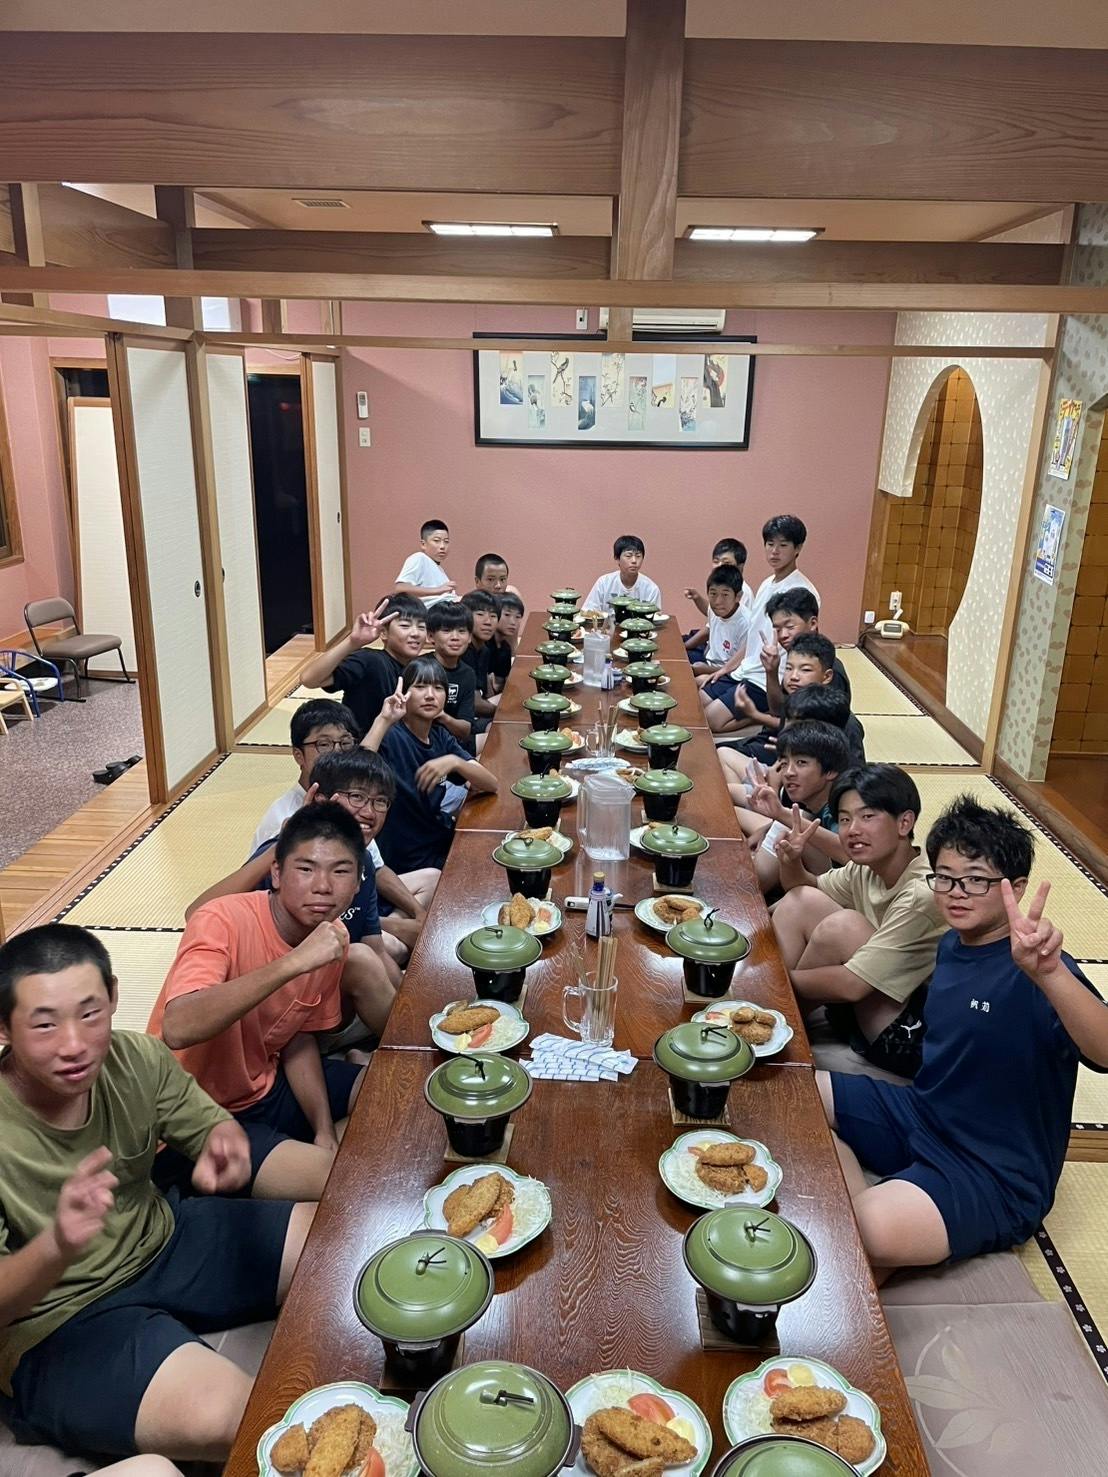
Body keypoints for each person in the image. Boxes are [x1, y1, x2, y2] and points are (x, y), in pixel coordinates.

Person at [0, 924, 313, 1462]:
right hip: (57, 1322)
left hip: (162, 1237)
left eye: (90, 1014)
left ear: (113, 996)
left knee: (335, 1245)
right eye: (45, 1024)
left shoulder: (135, 1058)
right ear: (4, 1026)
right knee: (239, 1418)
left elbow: (208, 1124)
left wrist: (223, 1144)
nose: (74, 1044)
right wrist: (57, 1245)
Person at [818, 796, 1108, 1273]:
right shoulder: (952, 943)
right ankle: (878, 1219)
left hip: (993, 1170)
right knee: (801, 1097)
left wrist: (1052, 974)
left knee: (867, 1228)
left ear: (1015, 887)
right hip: (923, 1113)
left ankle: (876, 1225)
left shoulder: (1039, 968)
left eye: (976, 880)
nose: (957, 892)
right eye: (945, 877)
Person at [148, 806, 368, 1201]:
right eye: (306, 869)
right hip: (189, 1119)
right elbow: (178, 1026)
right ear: (277, 874)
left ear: (357, 883)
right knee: (344, 1185)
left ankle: (292, 1157)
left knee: (390, 1096)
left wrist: (323, 1130)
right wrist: (293, 962)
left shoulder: (332, 936)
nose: (322, 886)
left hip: (264, 1088)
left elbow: (298, 1038)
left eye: (340, 871)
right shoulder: (222, 919)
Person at [772, 764, 945, 1077]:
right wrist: (791, 861)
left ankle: (774, 1014)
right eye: (844, 819)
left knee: (843, 926)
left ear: (904, 822)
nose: (852, 830)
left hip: (907, 1032)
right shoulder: (867, 867)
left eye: (867, 816)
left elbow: (852, 985)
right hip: (862, 1003)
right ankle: (780, 1013)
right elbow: (804, 889)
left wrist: (775, 978)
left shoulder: (922, 893)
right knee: (802, 901)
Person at [192, 748, 429, 973]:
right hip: (274, 975)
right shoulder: (285, 854)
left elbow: (377, 949)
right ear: (321, 800)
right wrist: (283, 843)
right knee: (361, 958)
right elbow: (198, 914)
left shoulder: (363, 859)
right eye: (357, 797)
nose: (369, 812)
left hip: (326, 976)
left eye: (380, 801)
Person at [364, 660, 498, 874]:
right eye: (420, 687)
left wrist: (455, 762)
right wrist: (383, 719)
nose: (430, 695)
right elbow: (358, 772)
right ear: (404, 694)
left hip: (436, 837)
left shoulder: (440, 736)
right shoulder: (391, 736)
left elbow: (491, 783)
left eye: (438, 688)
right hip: (408, 855)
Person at [700, 515, 819, 727]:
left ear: (798, 548)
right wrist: (726, 668)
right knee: (697, 702)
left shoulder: (803, 591)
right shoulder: (766, 584)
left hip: (767, 678)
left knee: (711, 720)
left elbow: (804, 647)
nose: (775, 551)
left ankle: (760, 718)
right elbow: (754, 637)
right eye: (770, 544)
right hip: (746, 669)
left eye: (783, 545)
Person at [717, 633, 866, 763]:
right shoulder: (797, 697)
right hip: (782, 750)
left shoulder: (846, 723)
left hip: (798, 767)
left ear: (827, 677)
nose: (793, 676)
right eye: (788, 668)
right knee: (714, 751)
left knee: (720, 757)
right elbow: (780, 717)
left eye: (805, 670)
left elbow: (853, 774)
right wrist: (771, 672)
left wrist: (793, 758)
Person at [742, 721, 850, 892]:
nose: (788, 772)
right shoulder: (815, 802)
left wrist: (781, 815)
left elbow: (848, 853)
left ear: (830, 771)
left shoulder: (844, 804)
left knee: (795, 820)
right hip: (823, 880)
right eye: (784, 763)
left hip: (849, 892)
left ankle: (746, 888)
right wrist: (769, 824)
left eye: (801, 762)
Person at [300, 595, 427, 735]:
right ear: (383, 632)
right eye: (405, 626)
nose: (415, 633)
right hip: (362, 746)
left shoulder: (423, 668)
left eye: (421, 627)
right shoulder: (370, 660)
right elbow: (309, 679)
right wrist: (352, 642)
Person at [251, 698, 360, 854]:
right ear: (298, 755)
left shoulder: (352, 801)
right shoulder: (282, 817)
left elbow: (376, 864)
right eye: (324, 744)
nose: (337, 752)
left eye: (345, 742)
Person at [426, 600, 477, 750]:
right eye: (447, 630)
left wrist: (443, 717)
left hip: (454, 742)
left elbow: (465, 729)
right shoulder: (420, 668)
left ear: (469, 637)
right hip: (425, 743)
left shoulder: (468, 674)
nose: (455, 637)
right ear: (430, 636)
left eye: (461, 631)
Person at [684, 565, 749, 676]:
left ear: (738, 596)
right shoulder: (714, 610)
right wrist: (683, 647)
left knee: (693, 681)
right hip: (707, 662)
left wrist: (706, 670)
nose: (718, 601)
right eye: (713, 594)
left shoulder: (746, 624)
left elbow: (740, 669)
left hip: (728, 674)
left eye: (725, 595)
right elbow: (707, 631)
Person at [459, 589, 501, 744]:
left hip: (474, 717)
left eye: (493, 615)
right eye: (480, 614)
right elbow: (476, 705)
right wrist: (505, 713)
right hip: (460, 726)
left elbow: (486, 695)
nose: (488, 621)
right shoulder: (462, 650)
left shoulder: (483, 650)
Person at [582, 535, 662, 614]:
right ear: (617, 558)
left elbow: (655, 617)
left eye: (638, 556)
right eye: (628, 556)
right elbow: (588, 612)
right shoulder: (604, 583)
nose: (634, 561)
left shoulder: (651, 589)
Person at [393, 519, 455, 607]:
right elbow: (400, 588)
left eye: (446, 541)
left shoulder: (439, 569)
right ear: (423, 544)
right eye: (436, 540)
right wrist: (438, 590)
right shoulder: (419, 558)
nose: (442, 546)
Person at [684, 538, 750, 618]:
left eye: (726, 562)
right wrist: (697, 598)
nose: (719, 566)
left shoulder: (744, 592)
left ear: (740, 567)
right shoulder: (716, 584)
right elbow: (713, 613)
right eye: (716, 561)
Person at [491, 591, 524, 694]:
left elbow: (499, 685)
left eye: (518, 617)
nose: (513, 622)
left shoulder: (505, 648)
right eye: (507, 614)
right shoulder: (484, 645)